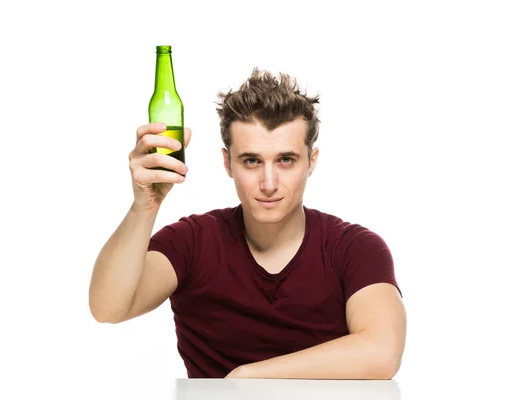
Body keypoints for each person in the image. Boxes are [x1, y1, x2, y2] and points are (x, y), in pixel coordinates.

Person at [88, 68, 407, 380]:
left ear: (311, 162)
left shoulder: (354, 248)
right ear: (227, 162)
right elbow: (109, 308)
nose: (269, 183)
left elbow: (381, 352)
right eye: (251, 161)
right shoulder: (194, 242)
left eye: (286, 160)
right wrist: (146, 205)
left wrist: (248, 377)